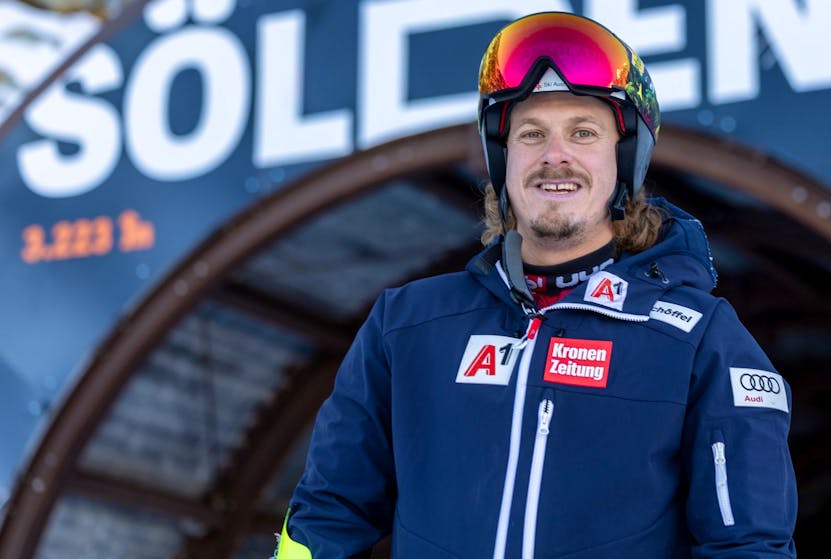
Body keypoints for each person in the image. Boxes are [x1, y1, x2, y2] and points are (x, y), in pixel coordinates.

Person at [274, 11, 797, 559]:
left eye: (583, 132)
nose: (555, 155)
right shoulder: (406, 325)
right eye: (531, 134)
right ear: (502, 157)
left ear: (624, 159)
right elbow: (328, 514)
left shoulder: (700, 339)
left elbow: (747, 545)